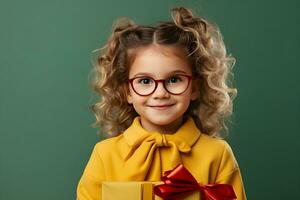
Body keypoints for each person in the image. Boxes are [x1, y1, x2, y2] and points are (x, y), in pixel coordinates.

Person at [77, 6, 247, 200]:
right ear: (128, 91)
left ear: (194, 88)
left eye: (174, 79)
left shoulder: (217, 154)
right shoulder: (105, 155)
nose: (160, 93)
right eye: (145, 81)